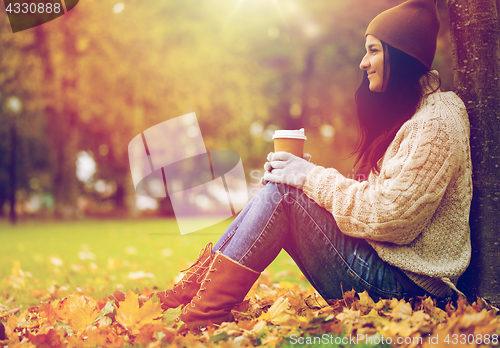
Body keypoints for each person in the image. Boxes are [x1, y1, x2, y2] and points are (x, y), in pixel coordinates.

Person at [118, 0, 473, 331]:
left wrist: (309, 178)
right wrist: (305, 179)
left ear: (402, 55)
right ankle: (190, 297)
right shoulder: (419, 116)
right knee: (284, 187)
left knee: (286, 194)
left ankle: (199, 315)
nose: (363, 63)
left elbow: (391, 218)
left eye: (373, 50)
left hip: (411, 292)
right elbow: (381, 202)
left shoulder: (436, 121)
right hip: (393, 272)